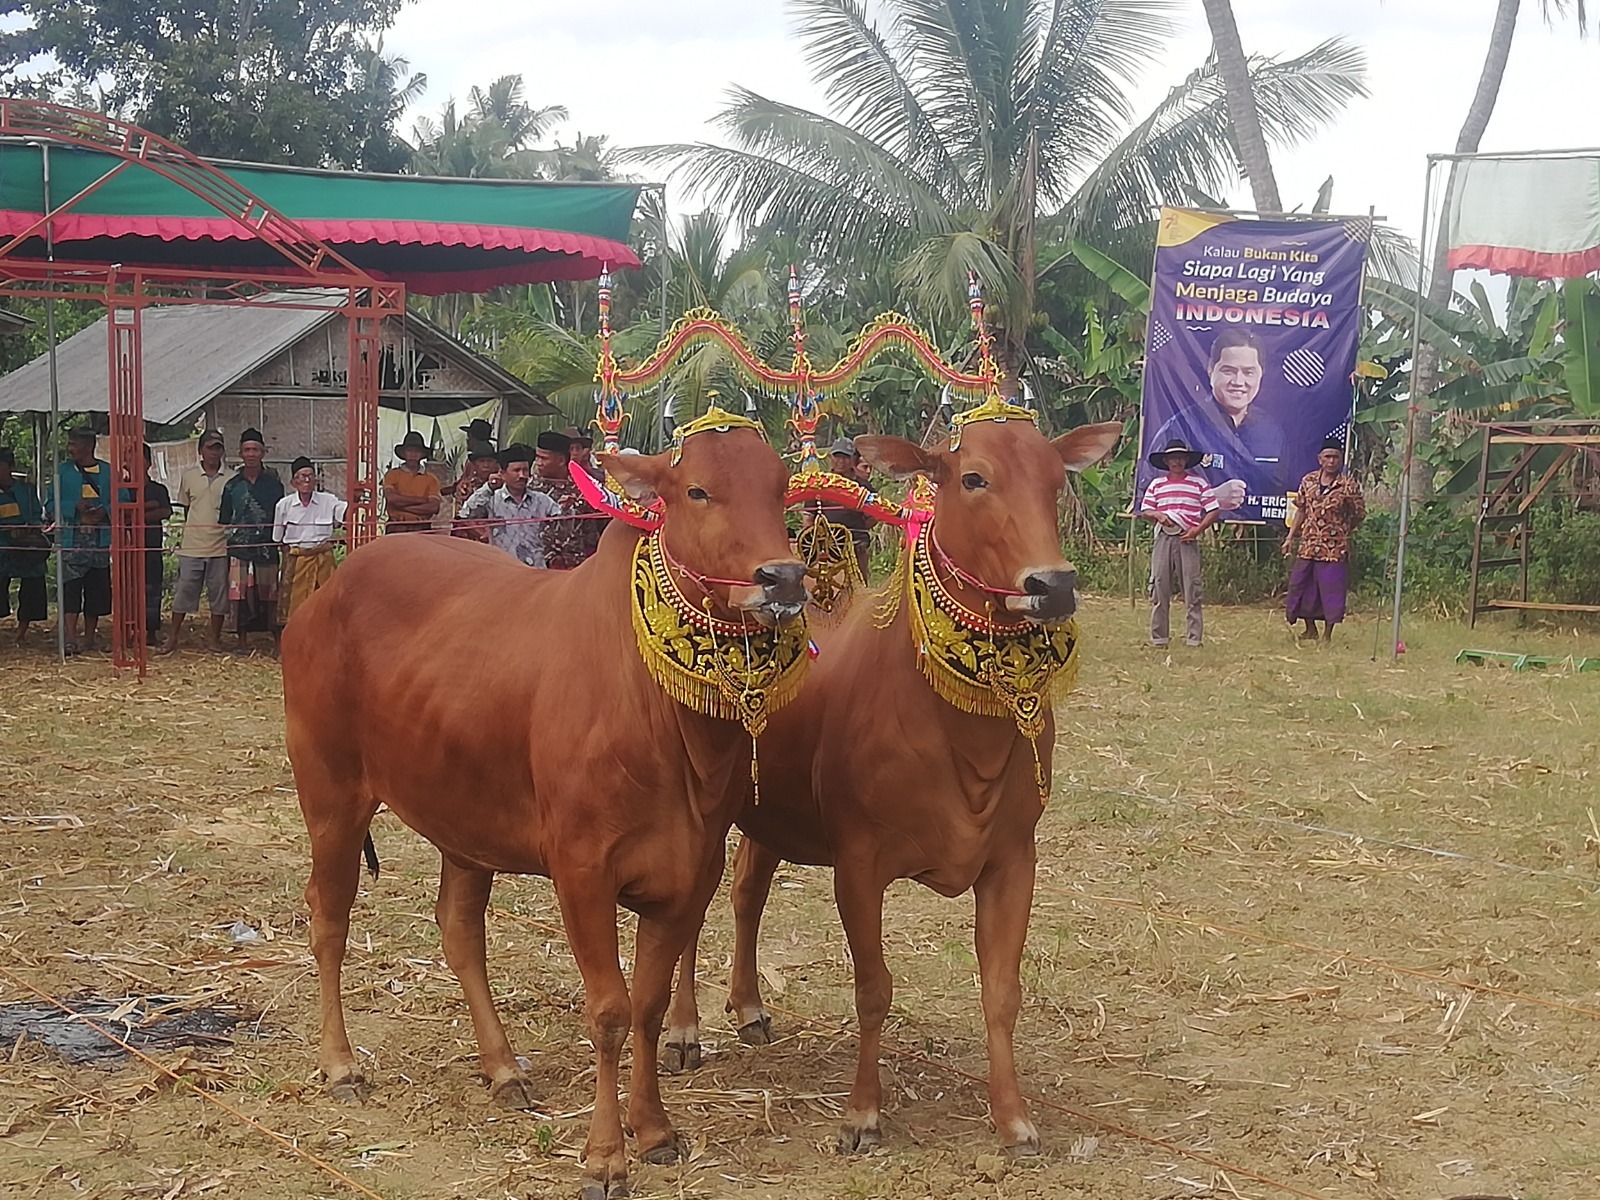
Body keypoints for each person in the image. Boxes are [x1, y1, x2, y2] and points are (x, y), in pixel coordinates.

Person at [1148, 328, 1286, 501]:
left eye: (1248, 372)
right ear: (1210, 370)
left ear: (1261, 374)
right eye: (1228, 371)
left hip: (1260, 529)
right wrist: (1209, 499)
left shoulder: (1273, 432)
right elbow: (1152, 495)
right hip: (1195, 527)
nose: (1238, 382)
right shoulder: (1180, 429)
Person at [1139, 438, 1220, 649]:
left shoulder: (1198, 483)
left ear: (1186, 460)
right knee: (1159, 585)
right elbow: (1145, 510)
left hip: (1187, 537)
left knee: (1192, 588)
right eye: (1173, 458)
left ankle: (1194, 638)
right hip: (1164, 537)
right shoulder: (1157, 484)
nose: (1177, 462)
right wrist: (1158, 515)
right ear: (1166, 461)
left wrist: (1197, 530)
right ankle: (1159, 637)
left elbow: (1213, 510)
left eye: (1180, 458)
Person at [1283, 438, 1366, 643]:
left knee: (1330, 590)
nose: (1331, 461)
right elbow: (1301, 510)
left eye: (1336, 457)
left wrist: (1342, 530)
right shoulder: (1308, 481)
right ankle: (1309, 629)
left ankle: (1327, 635)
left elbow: (1359, 514)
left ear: (1341, 460)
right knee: (1301, 586)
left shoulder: (1347, 485)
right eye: (1328, 457)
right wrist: (1290, 537)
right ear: (1320, 459)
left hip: (1334, 549)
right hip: (1308, 546)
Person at [162, 428, 233, 655]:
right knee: (184, 592)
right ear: (201, 450)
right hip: (192, 545)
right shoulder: (189, 476)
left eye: (218, 447)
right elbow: (186, 507)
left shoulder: (231, 478)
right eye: (210, 447)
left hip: (220, 546)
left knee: (219, 595)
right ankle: (172, 638)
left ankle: (215, 639)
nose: (214, 452)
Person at [47, 426, 115, 654]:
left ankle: (89, 638)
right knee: (70, 589)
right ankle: (70, 638)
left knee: (96, 590)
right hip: (71, 542)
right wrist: (73, 507)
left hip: (100, 542)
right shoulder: (62, 472)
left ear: (87, 446)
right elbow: (49, 504)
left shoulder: (108, 472)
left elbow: (121, 500)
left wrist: (104, 511)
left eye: (74, 444)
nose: (70, 449)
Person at [218, 427, 285, 653]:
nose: (251, 454)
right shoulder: (231, 485)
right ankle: (242, 643)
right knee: (239, 595)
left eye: (255, 449)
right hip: (239, 549)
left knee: (271, 594)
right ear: (240, 453)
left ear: (263, 453)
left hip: (267, 547)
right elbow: (224, 519)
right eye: (247, 449)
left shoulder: (274, 485)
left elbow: (282, 515)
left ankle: (277, 643)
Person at [273, 457, 348, 627]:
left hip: (323, 559)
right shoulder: (283, 505)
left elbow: (346, 513)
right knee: (294, 605)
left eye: (310, 476)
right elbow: (278, 539)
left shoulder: (329, 500)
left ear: (316, 480)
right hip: (297, 559)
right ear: (293, 482)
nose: (306, 480)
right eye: (302, 476)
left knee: (328, 601)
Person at [458, 442, 560, 567]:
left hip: (536, 572)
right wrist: (488, 488)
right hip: (504, 570)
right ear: (502, 473)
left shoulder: (542, 500)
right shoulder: (492, 499)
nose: (522, 476)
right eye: (516, 470)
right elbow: (465, 514)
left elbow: (562, 525)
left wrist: (566, 509)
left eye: (525, 470)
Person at [805, 435, 875, 578]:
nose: (841, 462)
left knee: (858, 581)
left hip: (856, 543)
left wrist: (859, 528)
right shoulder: (820, 484)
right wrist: (812, 540)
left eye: (845, 457)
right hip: (826, 546)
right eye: (837, 457)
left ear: (853, 461)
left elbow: (876, 515)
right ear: (831, 458)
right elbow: (808, 517)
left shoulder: (863, 486)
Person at [531, 430, 603, 569]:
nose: (539, 463)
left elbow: (595, 531)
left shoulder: (584, 487)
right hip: (538, 566)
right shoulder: (529, 489)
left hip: (576, 567)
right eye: (537, 458)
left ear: (561, 460)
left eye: (544, 458)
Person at [0, 447, 49, 644]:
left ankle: (21, 633)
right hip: (2, 548)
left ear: (10, 467)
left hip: (27, 547)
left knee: (33, 586)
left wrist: (30, 529)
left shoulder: (27, 491)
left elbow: (37, 515)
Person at [140, 444, 173, 646]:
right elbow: (119, 513)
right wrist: (150, 507)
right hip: (127, 547)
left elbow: (166, 511)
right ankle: (129, 631)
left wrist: (139, 514)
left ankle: (151, 632)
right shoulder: (122, 488)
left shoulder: (158, 489)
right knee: (129, 590)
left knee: (152, 590)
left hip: (151, 546)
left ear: (148, 463)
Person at [383, 430, 441, 533]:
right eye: (410, 450)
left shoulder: (431, 479)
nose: (413, 454)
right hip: (397, 526)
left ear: (422, 454)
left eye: (417, 451)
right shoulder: (392, 474)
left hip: (421, 527)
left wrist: (401, 507)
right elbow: (392, 499)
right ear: (404, 453)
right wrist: (422, 500)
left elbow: (433, 507)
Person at [449, 439, 501, 543]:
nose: (486, 465)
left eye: (489, 461)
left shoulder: (503, 485)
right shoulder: (466, 486)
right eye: (482, 461)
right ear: (474, 464)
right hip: (471, 538)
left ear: (495, 463)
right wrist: (483, 535)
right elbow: (462, 517)